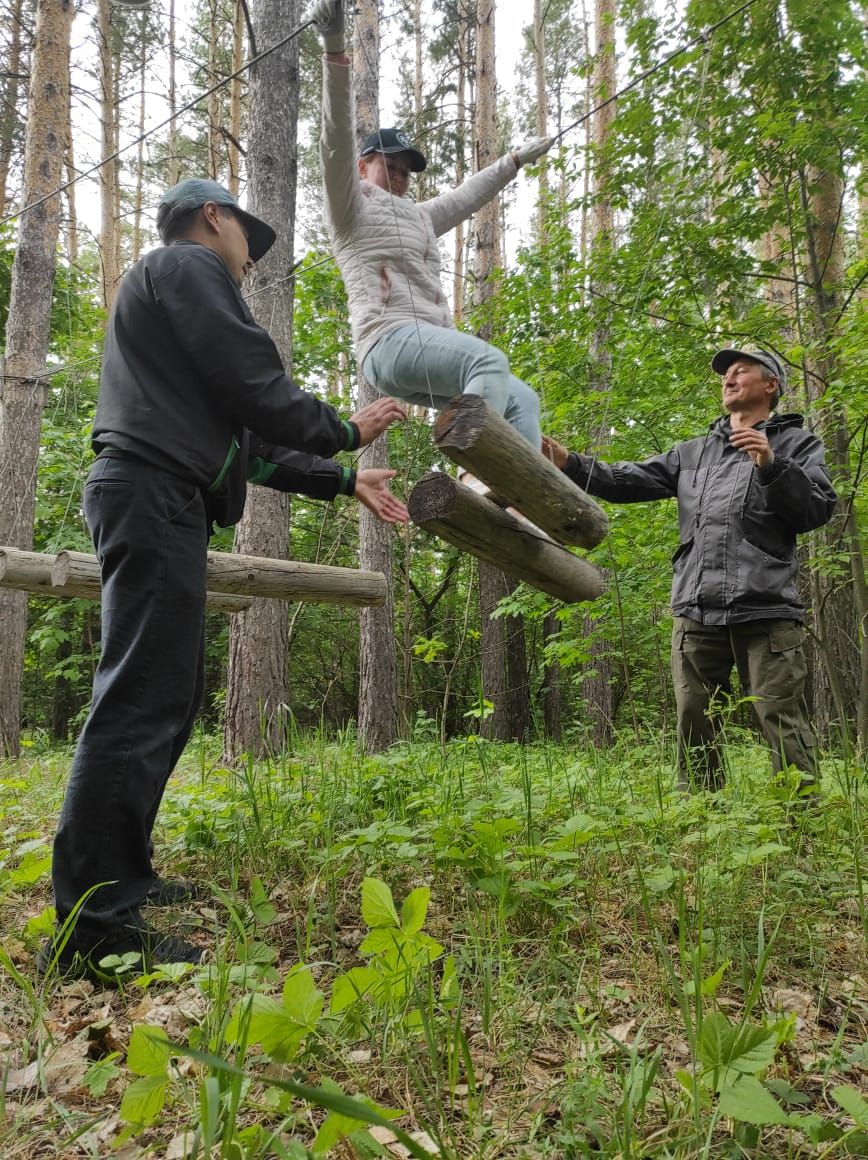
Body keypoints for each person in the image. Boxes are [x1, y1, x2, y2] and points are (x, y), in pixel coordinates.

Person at [39, 178, 409, 979]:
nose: (248, 261)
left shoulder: (174, 327)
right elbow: (255, 384)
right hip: (150, 492)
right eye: (248, 239)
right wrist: (345, 428)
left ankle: (119, 881)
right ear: (214, 217)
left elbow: (246, 442)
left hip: (161, 494)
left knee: (164, 700)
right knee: (140, 699)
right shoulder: (186, 268)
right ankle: (92, 932)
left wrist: (345, 479)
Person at [543, 348, 837, 792]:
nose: (729, 379)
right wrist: (570, 462)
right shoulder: (693, 452)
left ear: (771, 385)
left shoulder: (797, 444)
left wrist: (771, 464)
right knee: (694, 717)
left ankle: (802, 820)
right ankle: (701, 812)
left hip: (767, 609)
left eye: (741, 372)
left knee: (780, 716)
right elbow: (625, 481)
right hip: (696, 608)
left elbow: (816, 511)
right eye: (725, 374)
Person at [310, 0, 553, 454]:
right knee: (487, 359)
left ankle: (515, 504)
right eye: (390, 166)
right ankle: (474, 466)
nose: (400, 177)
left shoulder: (419, 215)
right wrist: (335, 54)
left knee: (521, 397)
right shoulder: (350, 206)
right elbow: (334, 142)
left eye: (406, 171)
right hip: (388, 341)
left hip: (421, 354)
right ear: (363, 167)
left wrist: (513, 161)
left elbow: (466, 197)